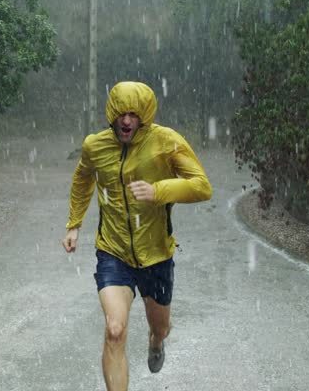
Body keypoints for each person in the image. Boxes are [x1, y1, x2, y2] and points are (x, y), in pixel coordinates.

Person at [61, 81, 212, 391]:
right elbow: (82, 180)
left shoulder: (165, 141)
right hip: (113, 252)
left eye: (133, 114)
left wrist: (158, 191)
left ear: (144, 115)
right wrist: (73, 223)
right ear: (111, 114)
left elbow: (201, 186)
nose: (126, 121)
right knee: (114, 330)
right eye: (121, 113)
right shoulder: (95, 146)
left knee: (161, 327)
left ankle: (156, 342)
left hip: (156, 255)